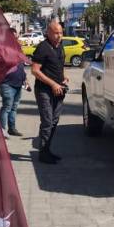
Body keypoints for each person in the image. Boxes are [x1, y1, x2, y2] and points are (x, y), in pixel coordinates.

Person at [32, 22, 68, 164]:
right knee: (47, 121)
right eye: (56, 33)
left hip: (59, 89)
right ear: (48, 32)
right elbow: (35, 70)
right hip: (44, 90)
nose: (59, 36)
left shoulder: (60, 46)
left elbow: (59, 65)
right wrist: (53, 83)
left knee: (54, 121)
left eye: (61, 32)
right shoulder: (43, 48)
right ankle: (43, 153)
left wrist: (63, 77)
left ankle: (47, 150)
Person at [0, 62, 30, 137]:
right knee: (7, 108)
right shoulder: (5, 53)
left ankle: (12, 129)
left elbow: (21, 68)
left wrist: (25, 79)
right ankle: (2, 131)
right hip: (7, 85)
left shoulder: (18, 53)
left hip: (18, 85)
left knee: (14, 108)